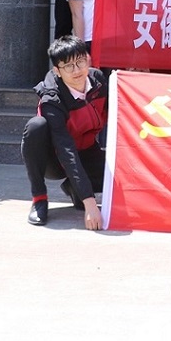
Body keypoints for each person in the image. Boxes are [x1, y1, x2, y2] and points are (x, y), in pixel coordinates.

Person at [21, 36, 106, 229]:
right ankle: (39, 198)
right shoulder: (52, 99)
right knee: (36, 126)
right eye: (68, 66)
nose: (76, 70)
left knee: (118, 179)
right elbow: (65, 149)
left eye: (80, 62)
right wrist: (90, 203)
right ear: (57, 71)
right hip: (56, 158)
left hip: (87, 149)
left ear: (88, 59)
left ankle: (74, 188)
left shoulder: (98, 81)